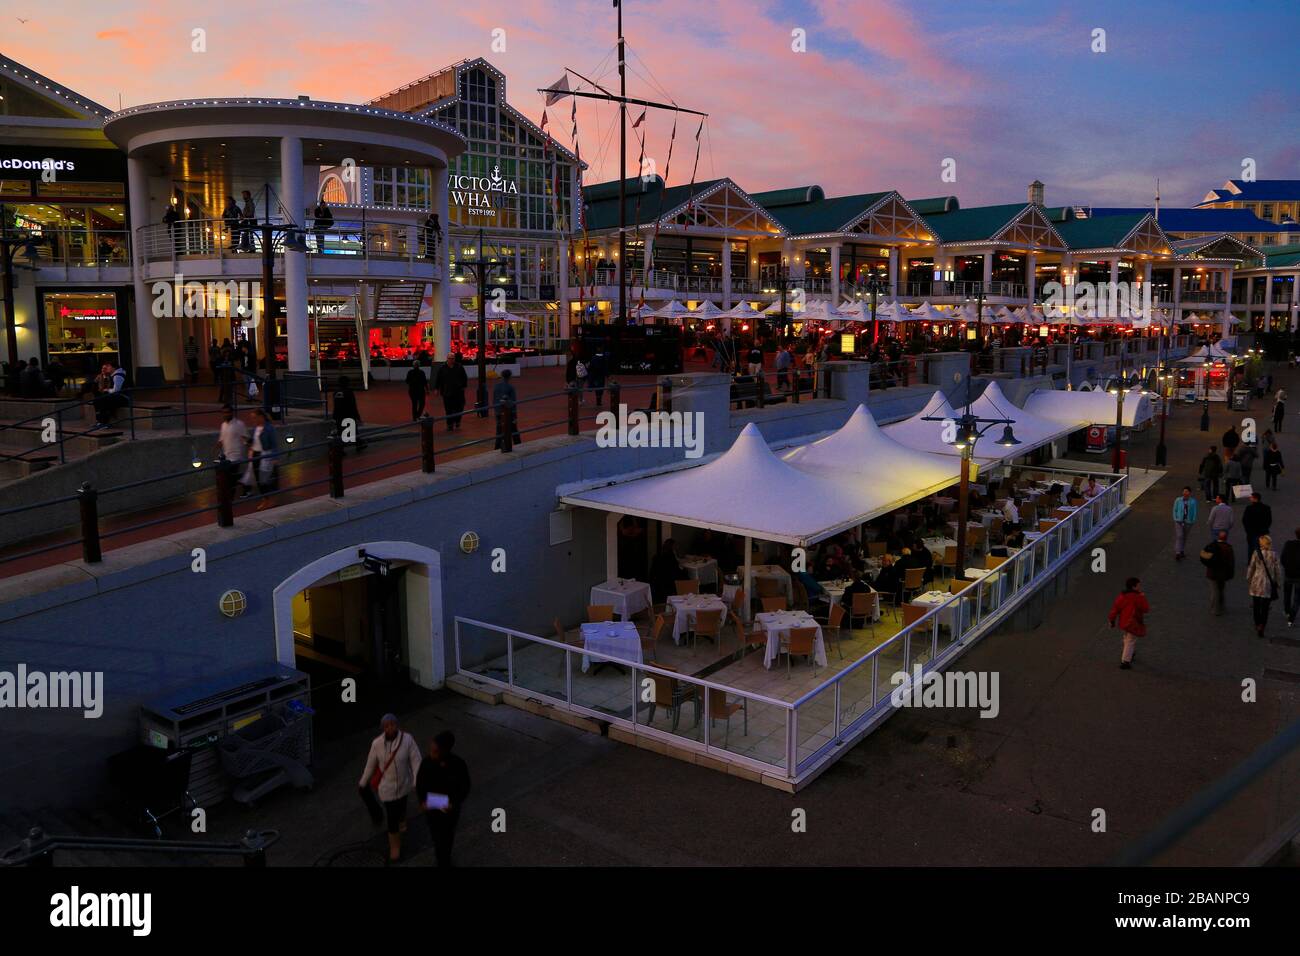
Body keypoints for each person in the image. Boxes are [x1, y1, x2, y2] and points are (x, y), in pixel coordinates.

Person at [357, 714, 422, 864]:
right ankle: (395, 846)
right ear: (383, 728)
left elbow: (416, 760)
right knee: (392, 817)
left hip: (404, 785)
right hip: (387, 790)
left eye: (392, 724)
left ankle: (402, 818)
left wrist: (417, 780)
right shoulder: (377, 744)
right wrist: (363, 782)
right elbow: (370, 764)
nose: (390, 728)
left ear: (397, 725)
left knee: (402, 807)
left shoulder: (407, 740)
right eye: (387, 726)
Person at [416, 731, 471, 867]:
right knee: (437, 836)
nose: (431, 754)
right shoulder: (427, 763)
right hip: (433, 809)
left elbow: (464, 787)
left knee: (446, 836)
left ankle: (443, 859)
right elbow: (420, 785)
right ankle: (442, 858)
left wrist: (453, 803)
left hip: (449, 810)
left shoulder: (458, 764)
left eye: (435, 751)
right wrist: (422, 801)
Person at [1107, 577, 1149, 670]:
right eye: (1138, 585)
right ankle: (1125, 661)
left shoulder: (1122, 596)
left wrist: (1112, 620)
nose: (1140, 587)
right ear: (1134, 587)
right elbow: (1146, 608)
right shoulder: (1138, 597)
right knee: (1130, 640)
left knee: (1127, 638)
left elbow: (1115, 609)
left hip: (1124, 622)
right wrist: (1142, 596)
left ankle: (1129, 653)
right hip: (1133, 622)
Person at [1247, 535, 1283, 638]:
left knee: (1256, 605)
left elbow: (1251, 567)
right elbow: (1278, 571)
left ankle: (1257, 624)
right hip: (1267, 584)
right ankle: (1262, 625)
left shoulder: (1256, 553)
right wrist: (1279, 583)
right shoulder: (1274, 555)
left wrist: (1248, 578)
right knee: (1265, 607)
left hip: (1256, 582)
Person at [216, 404, 251, 496]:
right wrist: (218, 445)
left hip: (237, 455)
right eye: (223, 413)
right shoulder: (223, 425)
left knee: (232, 477)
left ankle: (232, 494)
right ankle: (246, 489)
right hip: (227, 456)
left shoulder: (239, 424)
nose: (225, 414)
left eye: (227, 412)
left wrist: (246, 444)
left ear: (232, 413)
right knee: (233, 476)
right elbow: (222, 439)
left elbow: (246, 437)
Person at [247, 407, 278, 506]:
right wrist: (248, 443)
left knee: (264, 479)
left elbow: (274, 443)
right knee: (258, 478)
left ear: (261, 417)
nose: (253, 420)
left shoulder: (269, 428)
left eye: (255, 418)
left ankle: (268, 499)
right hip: (256, 454)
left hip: (265, 454)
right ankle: (265, 499)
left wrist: (275, 457)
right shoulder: (256, 428)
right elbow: (255, 440)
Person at [1200, 531, 1235, 617]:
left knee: (1214, 591)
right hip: (1222, 574)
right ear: (1226, 538)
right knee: (1221, 589)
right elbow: (1231, 563)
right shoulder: (1228, 548)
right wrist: (1230, 574)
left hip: (1211, 573)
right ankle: (1221, 606)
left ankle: (1215, 609)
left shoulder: (1212, 545)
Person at [433, 353, 468, 431]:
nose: (451, 360)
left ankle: (457, 421)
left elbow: (464, 377)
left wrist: (463, 386)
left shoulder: (459, 367)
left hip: (458, 392)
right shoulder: (442, 368)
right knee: (448, 409)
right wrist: (436, 388)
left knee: (459, 408)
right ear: (447, 359)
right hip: (447, 392)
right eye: (450, 358)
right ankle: (449, 424)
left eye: (452, 358)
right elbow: (438, 379)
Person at [331, 374, 363, 452]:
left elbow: (335, 405)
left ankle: (341, 450)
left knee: (340, 432)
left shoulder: (335, 392)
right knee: (353, 431)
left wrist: (334, 416)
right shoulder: (349, 392)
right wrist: (357, 416)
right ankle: (359, 445)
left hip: (338, 415)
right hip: (348, 415)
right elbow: (353, 405)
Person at [91, 362, 128, 427]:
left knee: (103, 400)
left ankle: (103, 422)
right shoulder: (114, 375)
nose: (107, 368)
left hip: (123, 398)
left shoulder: (118, 376)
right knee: (98, 400)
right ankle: (100, 421)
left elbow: (116, 390)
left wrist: (107, 390)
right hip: (118, 397)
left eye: (108, 366)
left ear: (113, 368)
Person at [492, 368, 520, 449]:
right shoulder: (510, 387)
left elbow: (494, 399)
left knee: (499, 430)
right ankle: (518, 444)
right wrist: (515, 416)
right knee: (514, 430)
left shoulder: (496, 386)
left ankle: (497, 447)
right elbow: (513, 403)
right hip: (508, 413)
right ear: (509, 377)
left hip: (498, 411)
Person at [1242, 492, 1272, 557]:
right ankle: (1262, 562)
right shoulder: (1266, 508)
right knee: (1263, 548)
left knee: (1251, 549)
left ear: (1255, 498)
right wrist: (1265, 528)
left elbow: (1245, 520)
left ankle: (1251, 563)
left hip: (1252, 532)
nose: (1250, 498)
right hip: (1263, 532)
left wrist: (1248, 530)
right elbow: (1269, 520)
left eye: (1251, 497)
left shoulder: (1249, 508)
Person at [1172, 486, 1198, 561]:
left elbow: (1194, 511)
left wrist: (1192, 520)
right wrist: (1175, 518)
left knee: (1184, 536)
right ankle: (1178, 552)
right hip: (1179, 521)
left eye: (1186, 491)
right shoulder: (1178, 500)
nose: (1185, 493)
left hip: (1188, 521)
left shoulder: (1193, 501)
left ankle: (1182, 550)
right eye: (1184, 491)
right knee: (1179, 536)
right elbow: (1175, 509)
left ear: (1189, 493)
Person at [1281, 528, 1300, 626]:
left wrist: (1286, 567)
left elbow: (1283, 558)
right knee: (1297, 599)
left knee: (1287, 594)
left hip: (1288, 574)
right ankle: (1291, 617)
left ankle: (1287, 611)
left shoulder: (1288, 544)